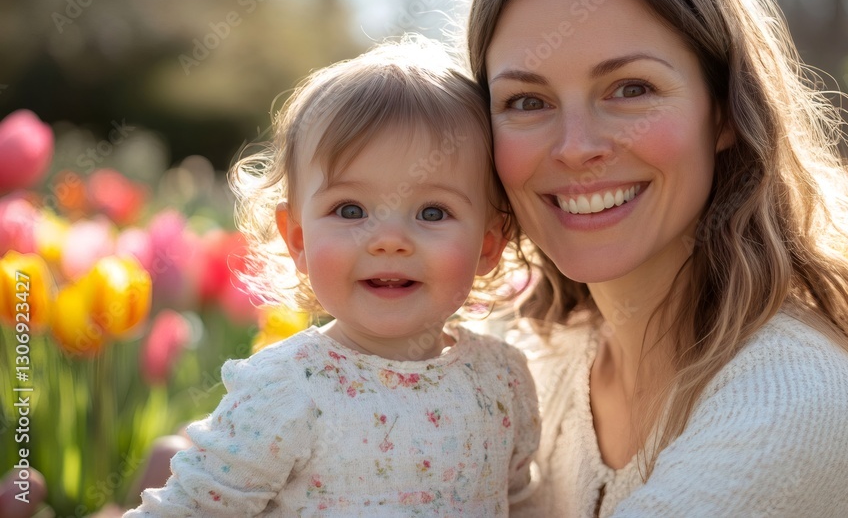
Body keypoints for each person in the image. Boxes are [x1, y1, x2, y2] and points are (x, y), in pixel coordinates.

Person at [467, 0, 848, 517]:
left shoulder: (795, 401)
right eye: (527, 101)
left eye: (631, 89)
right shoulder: (522, 365)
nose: (576, 148)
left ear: (724, 113)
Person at [125, 36, 539, 516]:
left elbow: (521, 502)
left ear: (488, 244)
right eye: (350, 209)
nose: (388, 240)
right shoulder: (287, 389)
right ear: (298, 239)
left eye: (432, 211)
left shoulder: (501, 380)